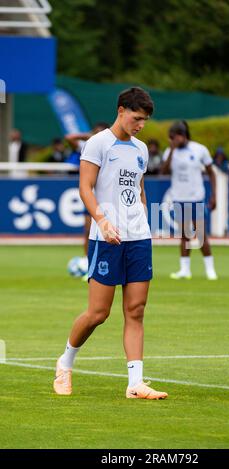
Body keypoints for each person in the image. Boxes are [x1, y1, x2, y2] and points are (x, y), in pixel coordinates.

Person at [53, 87, 168, 400]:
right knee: (98, 313)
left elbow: (140, 190)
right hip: (105, 239)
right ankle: (65, 363)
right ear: (121, 110)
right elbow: (85, 187)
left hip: (138, 237)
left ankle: (135, 384)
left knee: (136, 309)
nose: (141, 124)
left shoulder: (141, 149)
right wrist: (102, 222)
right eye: (136, 118)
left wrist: (142, 221)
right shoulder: (98, 143)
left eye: (144, 120)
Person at [160, 121, 218, 280]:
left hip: (196, 197)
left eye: (174, 137)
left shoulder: (199, 149)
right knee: (184, 235)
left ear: (182, 135)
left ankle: (210, 270)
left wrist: (214, 195)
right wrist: (171, 150)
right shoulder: (170, 151)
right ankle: (185, 270)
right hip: (178, 198)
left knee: (200, 234)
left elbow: (211, 173)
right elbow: (163, 171)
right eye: (170, 138)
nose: (172, 140)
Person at [65, 122, 110, 260]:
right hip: (91, 194)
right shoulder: (87, 146)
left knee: (108, 231)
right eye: (96, 132)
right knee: (88, 231)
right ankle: (87, 260)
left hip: (107, 196)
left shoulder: (111, 148)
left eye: (101, 132)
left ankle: (105, 261)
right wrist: (89, 136)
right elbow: (69, 138)